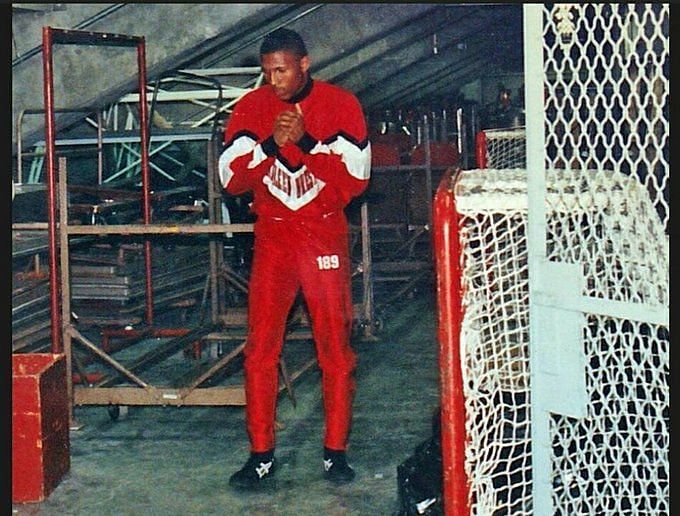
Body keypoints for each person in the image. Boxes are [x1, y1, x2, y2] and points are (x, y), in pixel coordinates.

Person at [218, 27, 371, 489]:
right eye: (266, 72)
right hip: (274, 237)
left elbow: (356, 182)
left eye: (281, 70)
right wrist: (269, 146)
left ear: (305, 64)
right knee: (260, 349)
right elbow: (232, 182)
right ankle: (261, 453)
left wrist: (305, 143)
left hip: (323, 236)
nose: (273, 80)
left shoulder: (342, 105)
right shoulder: (249, 108)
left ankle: (335, 452)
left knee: (335, 350)